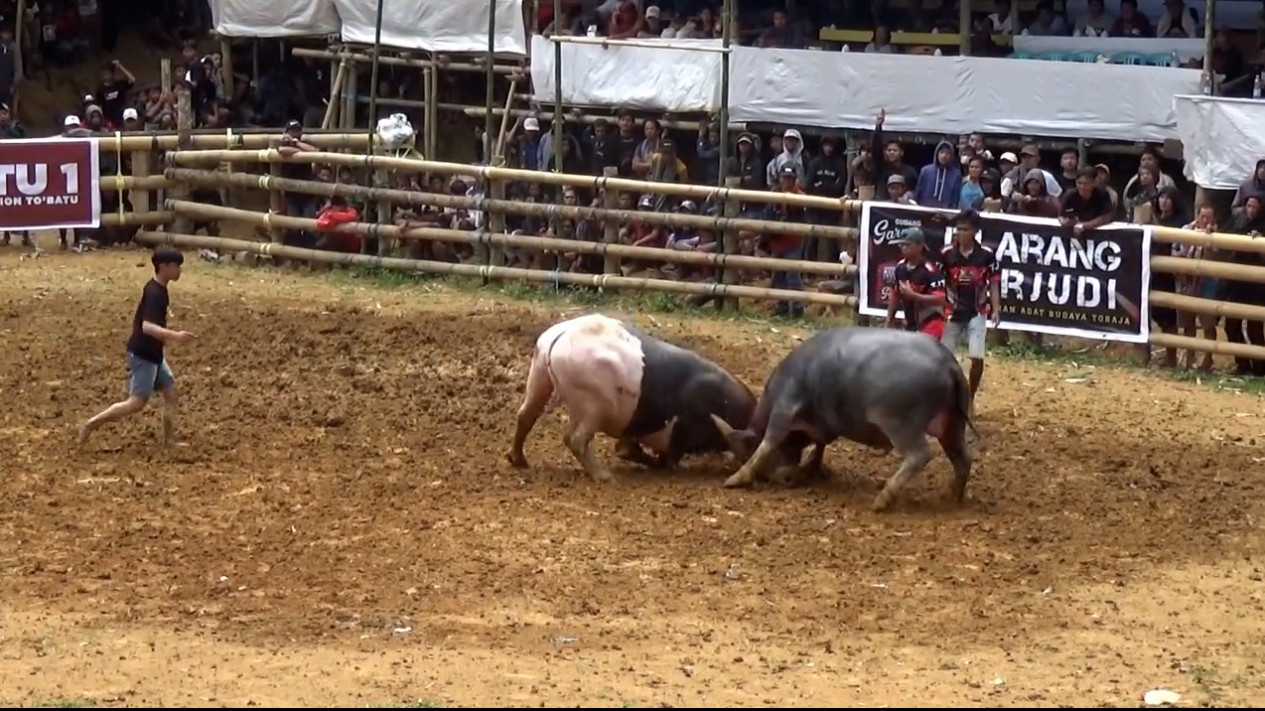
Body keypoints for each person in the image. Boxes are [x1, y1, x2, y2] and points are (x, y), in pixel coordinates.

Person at [79, 249, 193, 448]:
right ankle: (91, 424)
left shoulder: (158, 289)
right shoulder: (155, 293)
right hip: (144, 355)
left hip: (154, 354)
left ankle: (169, 441)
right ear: (164, 267)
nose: (179, 270)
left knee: (171, 394)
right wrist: (175, 336)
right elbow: (147, 327)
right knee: (136, 403)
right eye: (176, 266)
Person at [939, 210, 1002, 413]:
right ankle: (947, 399)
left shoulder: (986, 255)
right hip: (951, 312)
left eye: (965, 229)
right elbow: (938, 283)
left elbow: (994, 283)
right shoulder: (946, 254)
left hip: (977, 310)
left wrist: (996, 308)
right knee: (944, 359)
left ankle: (970, 398)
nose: (961, 233)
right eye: (958, 229)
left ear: (974, 231)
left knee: (977, 358)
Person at [885, 228, 947, 340]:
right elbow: (895, 294)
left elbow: (942, 298)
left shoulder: (930, 270)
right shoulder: (900, 268)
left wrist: (915, 296)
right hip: (911, 323)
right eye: (901, 245)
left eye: (907, 245)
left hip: (931, 322)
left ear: (920, 246)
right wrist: (889, 321)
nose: (903, 248)